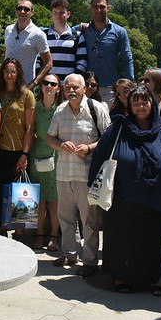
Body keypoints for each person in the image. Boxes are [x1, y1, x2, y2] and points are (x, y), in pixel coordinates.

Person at [89, 86, 161, 296]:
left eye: (145, 102)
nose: (141, 107)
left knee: (151, 241)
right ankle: (120, 276)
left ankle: (151, 278)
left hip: (155, 200)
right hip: (123, 200)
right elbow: (100, 156)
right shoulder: (118, 129)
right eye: (136, 103)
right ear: (130, 106)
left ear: (152, 104)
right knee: (123, 240)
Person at [47, 73, 110, 277]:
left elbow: (108, 139)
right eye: (67, 88)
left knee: (89, 221)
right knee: (65, 218)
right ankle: (70, 253)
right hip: (64, 173)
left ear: (84, 89)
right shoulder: (60, 110)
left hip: (87, 175)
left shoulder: (96, 109)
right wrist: (59, 145)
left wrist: (90, 148)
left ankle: (90, 261)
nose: (71, 91)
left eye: (75, 87)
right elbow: (50, 137)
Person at [0, 57, 36, 231]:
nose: (9, 75)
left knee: (20, 192)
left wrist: (25, 154)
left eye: (12, 71)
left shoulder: (27, 94)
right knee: (0, 191)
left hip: (19, 150)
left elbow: (29, 127)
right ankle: (1, 228)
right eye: (6, 71)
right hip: (0, 150)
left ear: (18, 73)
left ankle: (19, 230)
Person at [76, 0, 133, 104]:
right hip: (86, 87)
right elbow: (62, 29)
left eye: (102, 7)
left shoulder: (119, 32)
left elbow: (127, 59)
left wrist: (129, 85)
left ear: (108, 8)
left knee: (108, 120)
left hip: (110, 89)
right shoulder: (82, 29)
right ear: (91, 8)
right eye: (95, 6)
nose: (98, 10)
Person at [29, 72, 62, 251]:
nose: (49, 86)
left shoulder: (63, 109)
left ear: (58, 89)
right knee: (40, 199)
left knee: (55, 200)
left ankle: (53, 236)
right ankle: (40, 234)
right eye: (46, 83)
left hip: (58, 157)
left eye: (53, 84)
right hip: (39, 155)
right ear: (41, 87)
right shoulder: (34, 108)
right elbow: (29, 131)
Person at [4, 0, 52, 88]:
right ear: (15, 11)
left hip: (25, 85)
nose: (22, 11)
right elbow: (6, 55)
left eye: (26, 9)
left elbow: (48, 63)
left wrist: (34, 83)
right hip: (6, 84)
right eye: (19, 8)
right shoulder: (8, 30)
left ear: (32, 12)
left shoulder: (38, 34)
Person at [46, 0, 87, 81]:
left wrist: (73, 80)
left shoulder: (78, 36)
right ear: (51, 14)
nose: (58, 15)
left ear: (68, 14)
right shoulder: (43, 35)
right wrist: (44, 79)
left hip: (69, 87)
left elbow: (82, 61)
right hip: (49, 85)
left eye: (62, 13)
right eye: (55, 12)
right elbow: (38, 60)